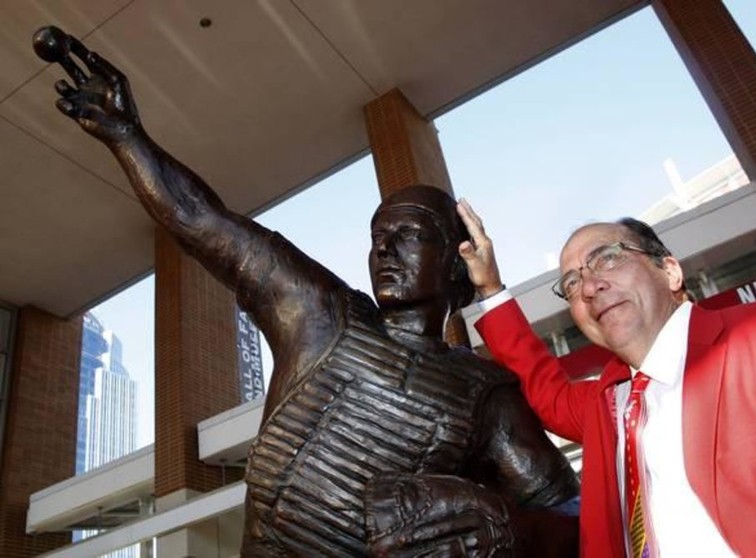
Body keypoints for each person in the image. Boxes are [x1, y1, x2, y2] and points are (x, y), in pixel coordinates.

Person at [36, 27, 582, 557]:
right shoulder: (321, 315)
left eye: (409, 235)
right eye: (377, 238)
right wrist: (127, 136)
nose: (384, 251)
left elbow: (569, 522)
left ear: (457, 259)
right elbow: (202, 220)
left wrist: (508, 530)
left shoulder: (485, 394)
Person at [456, 199, 756, 558]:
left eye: (608, 258)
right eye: (572, 283)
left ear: (670, 272)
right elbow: (546, 391)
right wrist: (491, 289)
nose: (590, 286)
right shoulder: (607, 403)